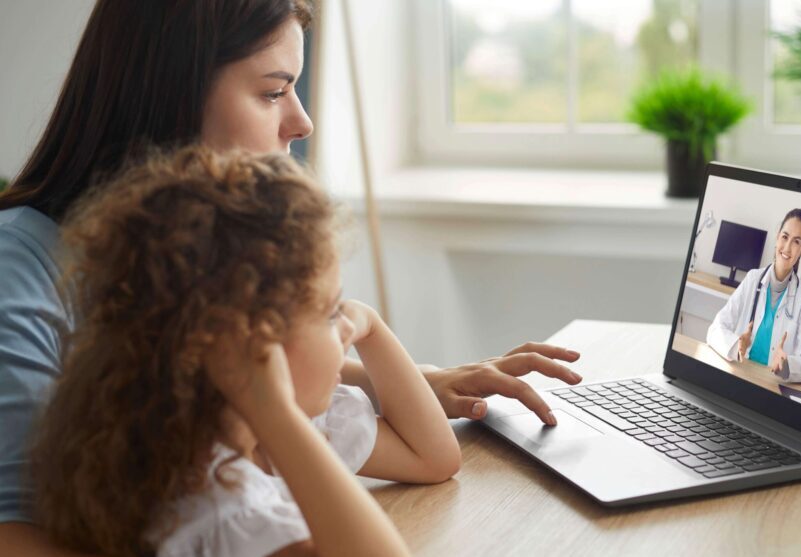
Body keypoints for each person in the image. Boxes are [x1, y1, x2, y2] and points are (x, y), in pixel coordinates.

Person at [0, 1, 580, 554]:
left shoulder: (204, 299)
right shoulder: (17, 273)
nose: (301, 122)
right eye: (273, 91)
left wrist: (403, 380)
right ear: (168, 93)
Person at [34, 146, 448, 556]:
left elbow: (434, 459)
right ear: (255, 347)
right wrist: (279, 417)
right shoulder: (220, 510)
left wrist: (371, 326)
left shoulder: (282, 431)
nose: (345, 328)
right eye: (329, 312)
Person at [706, 209, 801, 383]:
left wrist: (787, 364)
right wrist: (737, 345)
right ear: (777, 237)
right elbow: (715, 330)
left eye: (796, 242)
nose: (788, 247)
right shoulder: (753, 279)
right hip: (739, 374)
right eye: (785, 237)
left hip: (771, 384)